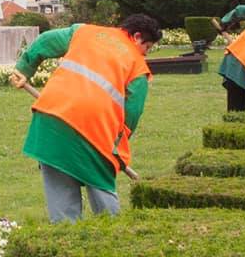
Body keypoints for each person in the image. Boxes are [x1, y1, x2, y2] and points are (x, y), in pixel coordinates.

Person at [10, 14, 163, 221]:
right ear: (137, 37)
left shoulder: (84, 31)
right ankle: (115, 242)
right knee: (104, 199)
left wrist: (24, 69)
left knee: (62, 210)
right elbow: (132, 114)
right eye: (147, 48)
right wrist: (116, 147)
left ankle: (66, 244)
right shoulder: (137, 67)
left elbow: (45, 41)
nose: (145, 55)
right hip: (94, 134)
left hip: (50, 122)